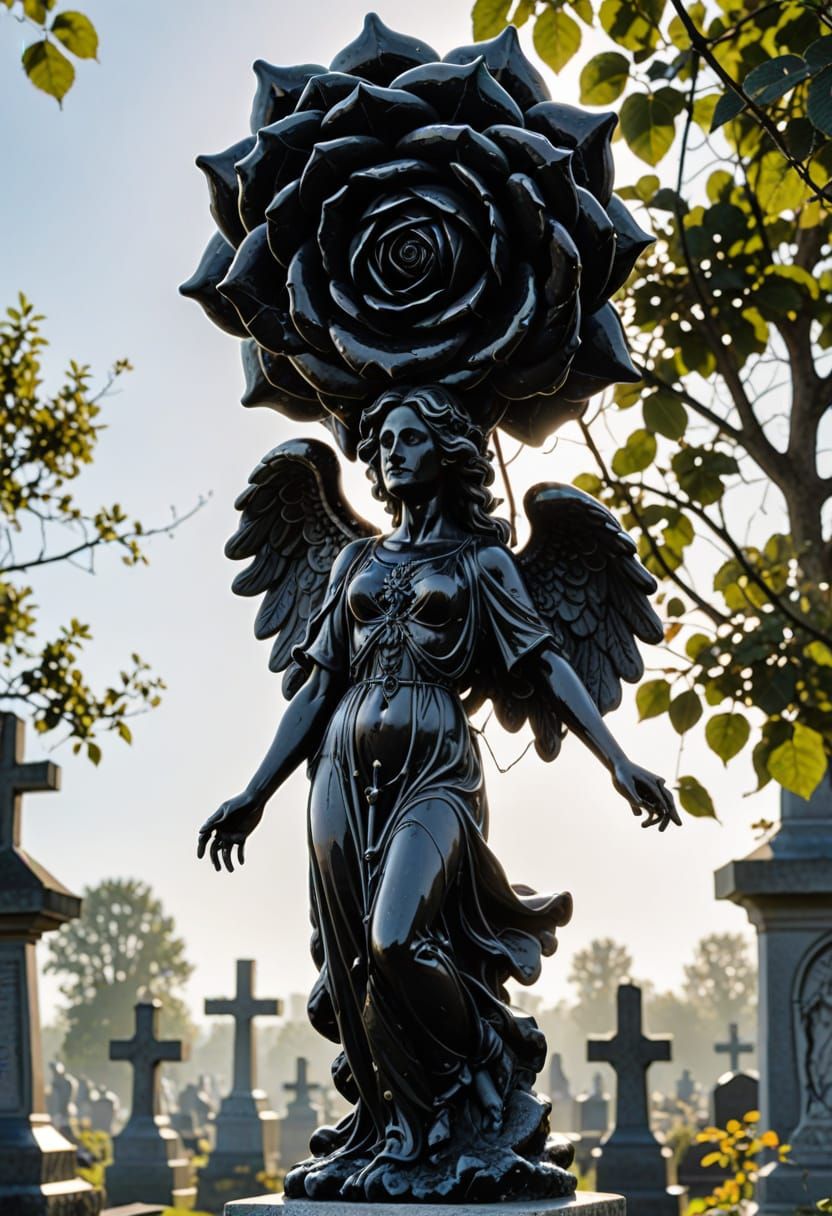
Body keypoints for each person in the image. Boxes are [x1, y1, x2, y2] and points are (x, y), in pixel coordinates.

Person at [197, 385, 679, 1200]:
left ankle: (473, 1086)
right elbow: (315, 691)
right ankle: (394, 1130)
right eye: (383, 440)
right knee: (357, 964)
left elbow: (545, 665)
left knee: (396, 941)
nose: (392, 452)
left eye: (411, 437)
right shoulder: (354, 560)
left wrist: (618, 760)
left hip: (435, 771)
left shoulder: (481, 562)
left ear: (449, 450)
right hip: (340, 776)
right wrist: (255, 793)